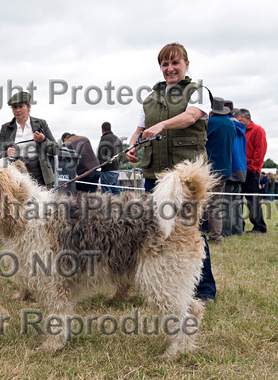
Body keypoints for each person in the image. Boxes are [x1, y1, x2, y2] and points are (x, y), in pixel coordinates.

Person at [126, 42, 216, 304]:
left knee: (188, 231)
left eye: (175, 63)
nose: (170, 68)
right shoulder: (150, 98)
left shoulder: (198, 91)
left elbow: (190, 117)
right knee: (154, 231)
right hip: (154, 174)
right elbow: (140, 129)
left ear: (187, 64)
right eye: (165, 64)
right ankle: (161, 284)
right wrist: (133, 145)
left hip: (184, 178)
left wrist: (162, 125)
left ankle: (204, 290)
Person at [0, 91, 59, 187]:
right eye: (14, 107)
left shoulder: (41, 124)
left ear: (29, 107)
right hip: (15, 176)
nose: (17, 110)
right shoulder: (5, 128)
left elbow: (55, 150)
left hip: (40, 175)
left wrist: (44, 140)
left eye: (21, 107)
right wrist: (6, 153)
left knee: (42, 201)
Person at [203, 97, 235, 244]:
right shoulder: (231, 124)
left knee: (198, 204)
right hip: (225, 169)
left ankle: (199, 235)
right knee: (217, 205)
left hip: (209, 169)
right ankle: (216, 237)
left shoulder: (209, 123)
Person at [236, 108, 268, 233]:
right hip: (241, 170)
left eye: (240, 120)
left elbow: (260, 151)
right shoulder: (240, 130)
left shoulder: (258, 130)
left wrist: (253, 168)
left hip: (251, 171)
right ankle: (240, 225)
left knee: (252, 200)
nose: (238, 122)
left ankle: (259, 226)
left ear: (247, 118)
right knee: (238, 200)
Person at [221, 102, 247, 237]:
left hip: (230, 166)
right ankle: (237, 230)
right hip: (241, 168)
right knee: (236, 202)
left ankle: (225, 231)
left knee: (225, 202)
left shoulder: (226, 126)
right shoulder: (242, 127)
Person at [97, 122, 123, 195]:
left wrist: (100, 165)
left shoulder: (104, 138)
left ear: (102, 130)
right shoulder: (117, 138)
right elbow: (121, 154)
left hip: (107, 170)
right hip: (116, 169)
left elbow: (101, 154)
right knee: (116, 193)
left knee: (107, 194)